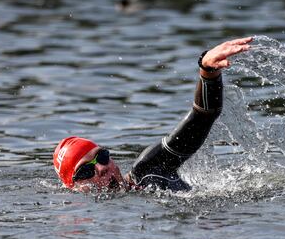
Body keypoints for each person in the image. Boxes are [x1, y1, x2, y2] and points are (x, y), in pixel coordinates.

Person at [52, 36, 253, 192]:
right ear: (73, 188)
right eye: (86, 171)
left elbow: (203, 116)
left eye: (102, 157)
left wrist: (207, 71)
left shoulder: (149, 171)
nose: (102, 168)